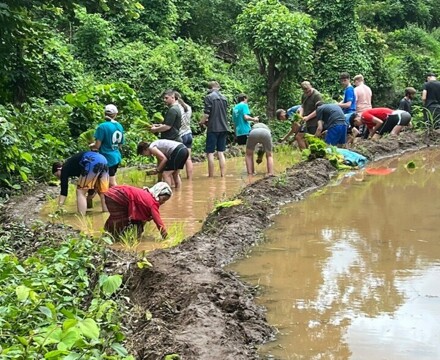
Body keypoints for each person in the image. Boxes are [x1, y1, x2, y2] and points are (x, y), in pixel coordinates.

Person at [104, 182, 172, 239]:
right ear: (157, 193)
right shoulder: (152, 203)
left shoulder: (146, 193)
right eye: (163, 199)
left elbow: (140, 215)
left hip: (113, 192)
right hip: (117, 196)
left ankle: (107, 234)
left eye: (165, 201)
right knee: (120, 221)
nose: (163, 202)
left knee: (117, 218)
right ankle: (113, 237)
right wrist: (166, 237)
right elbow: (159, 223)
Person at [52, 151, 109, 215]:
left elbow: (64, 189)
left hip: (91, 161)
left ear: (59, 169)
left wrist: (59, 207)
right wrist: (91, 195)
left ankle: (81, 217)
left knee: (80, 191)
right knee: (103, 193)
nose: (59, 178)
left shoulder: (64, 169)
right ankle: (106, 214)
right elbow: (91, 183)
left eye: (57, 175)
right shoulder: (73, 166)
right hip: (103, 159)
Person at [199, 81, 229, 177]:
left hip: (213, 128)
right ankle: (223, 175)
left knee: (210, 153)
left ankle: (211, 176)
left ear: (210, 88)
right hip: (224, 127)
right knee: (221, 152)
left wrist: (201, 122)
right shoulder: (225, 98)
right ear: (218, 88)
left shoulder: (209, 97)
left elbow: (207, 113)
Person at [91, 104, 124, 187]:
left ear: (104, 113)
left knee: (112, 183)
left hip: (107, 158)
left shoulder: (102, 127)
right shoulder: (119, 126)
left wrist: (91, 145)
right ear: (116, 114)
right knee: (105, 182)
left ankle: (120, 198)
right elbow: (120, 145)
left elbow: (97, 146)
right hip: (116, 157)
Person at [297, 81, 323, 150]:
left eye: (309, 91)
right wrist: (300, 116)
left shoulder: (317, 95)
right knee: (299, 137)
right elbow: (302, 106)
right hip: (306, 120)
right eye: (306, 92)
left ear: (311, 86)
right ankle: (305, 154)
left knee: (313, 139)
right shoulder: (304, 95)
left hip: (314, 121)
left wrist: (308, 117)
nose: (308, 93)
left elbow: (319, 110)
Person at [175, 91, 194, 180]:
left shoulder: (176, 108)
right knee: (188, 159)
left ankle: (177, 178)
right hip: (188, 133)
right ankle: (189, 179)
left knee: (178, 159)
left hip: (180, 135)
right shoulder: (188, 107)